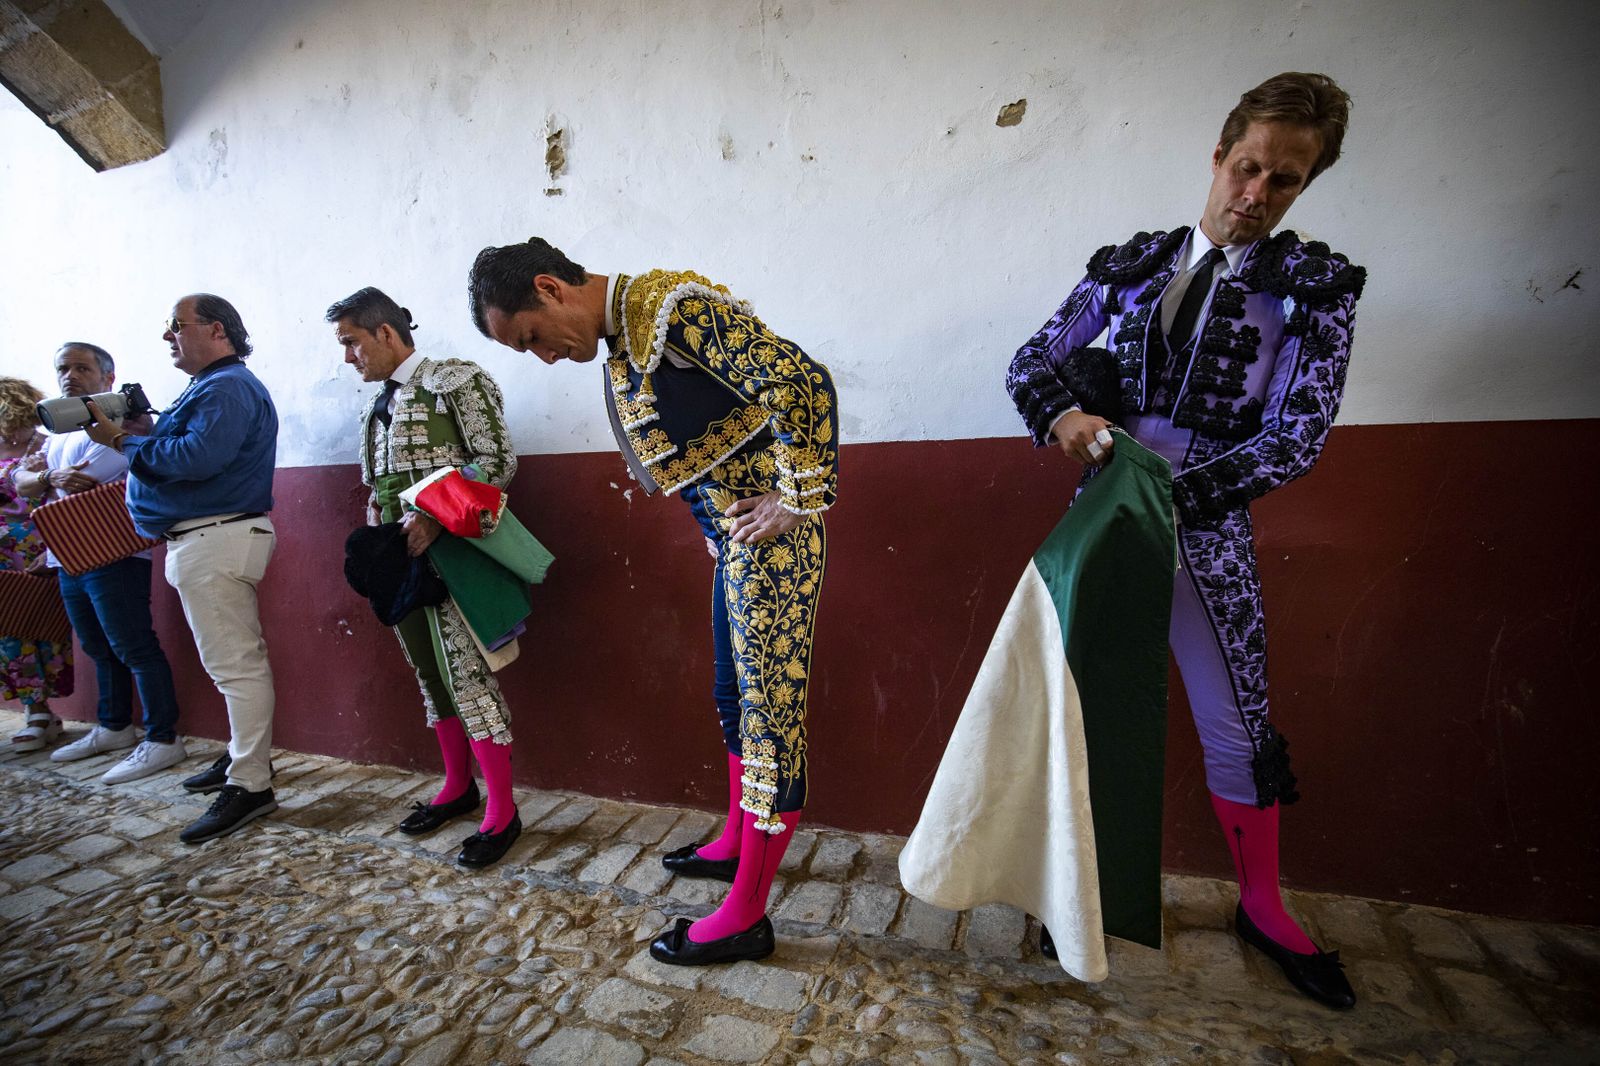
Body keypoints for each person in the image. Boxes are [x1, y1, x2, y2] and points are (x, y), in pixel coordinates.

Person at [1005, 72, 1366, 1008]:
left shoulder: (1312, 292)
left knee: (1237, 724)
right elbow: (1031, 361)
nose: (1255, 194)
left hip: (1204, 530)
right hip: (1099, 515)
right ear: (1217, 155)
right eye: (1246, 167)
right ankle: (1067, 887)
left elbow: (1296, 434)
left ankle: (1264, 905)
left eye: (1283, 181)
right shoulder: (1127, 266)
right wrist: (1069, 422)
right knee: (1076, 707)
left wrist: (1167, 494)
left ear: (1304, 186)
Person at [469, 239, 837, 964]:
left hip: (771, 541)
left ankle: (747, 917)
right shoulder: (626, 333)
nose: (542, 356)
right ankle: (736, 841)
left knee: (769, 722)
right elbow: (706, 443)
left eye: (532, 338)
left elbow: (805, 384)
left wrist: (797, 500)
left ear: (550, 288)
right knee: (732, 696)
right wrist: (715, 524)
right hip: (737, 540)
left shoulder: (676, 309)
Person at [328, 286, 526, 868]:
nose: (348, 358)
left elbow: (497, 460)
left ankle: (503, 810)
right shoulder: (375, 404)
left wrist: (436, 515)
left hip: (451, 546)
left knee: (466, 672)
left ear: (385, 333)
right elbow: (377, 478)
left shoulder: (456, 380)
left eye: (352, 343)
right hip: (396, 549)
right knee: (427, 669)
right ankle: (458, 787)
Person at [82, 294, 280, 844]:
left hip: (216, 537)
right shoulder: (211, 387)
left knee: (236, 668)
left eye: (177, 327)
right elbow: (186, 445)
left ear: (216, 330)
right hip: (208, 537)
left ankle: (251, 784)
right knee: (232, 665)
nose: (168, 337)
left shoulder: (228, 386)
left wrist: (123, 439)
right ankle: (245, 759)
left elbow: (196, 459)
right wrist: (149, 426)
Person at [12, 344, 185, 781]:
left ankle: (164, 737)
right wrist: (48, 477)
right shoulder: (59, 431)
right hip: (68, 553)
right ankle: (114, 727)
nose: (70, 376)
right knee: (97, 648)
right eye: (63, 369)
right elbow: (23, 481)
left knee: (134, 647)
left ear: (107, 378)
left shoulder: (124, 424)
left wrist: (48, 480)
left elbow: (93, 478)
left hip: (115, 552)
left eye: (82, 368)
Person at [0, 377, 73, 752]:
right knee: (7, 633)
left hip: (34, 547)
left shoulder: (44, 444)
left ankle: (43, 712)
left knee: (40, 625)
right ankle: (34, 708)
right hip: (1, 554)